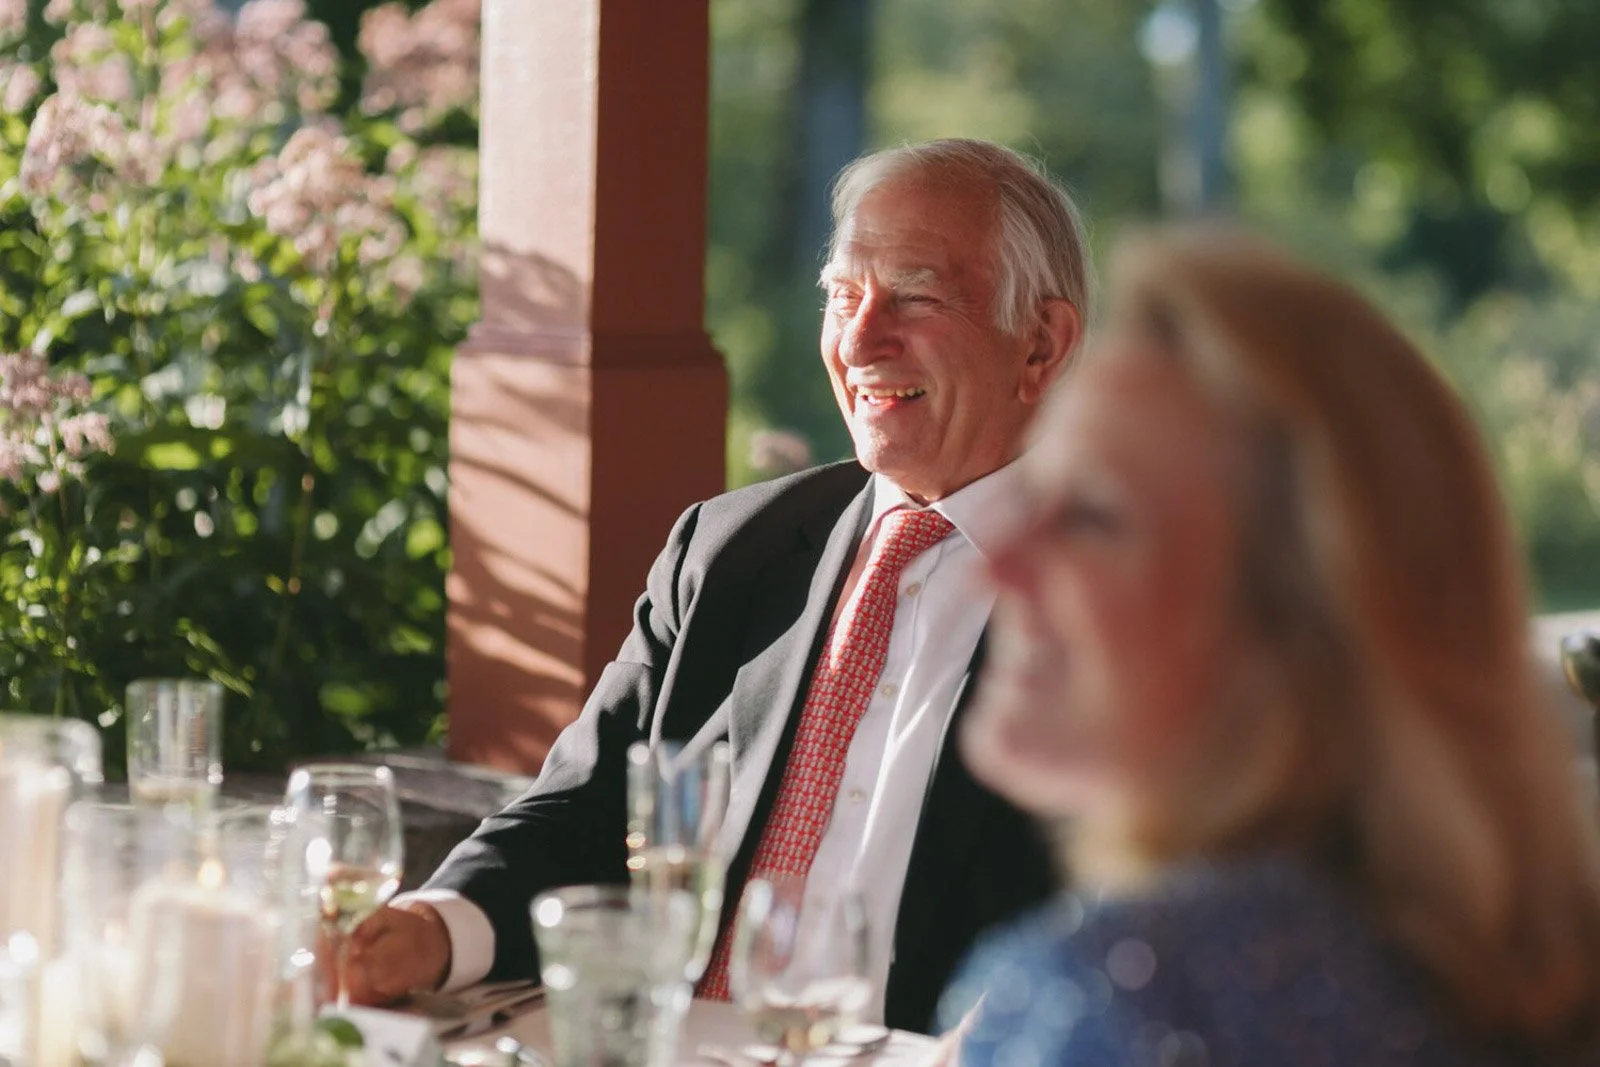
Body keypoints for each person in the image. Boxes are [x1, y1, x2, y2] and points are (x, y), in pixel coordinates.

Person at [343, 138, 1091, 1034]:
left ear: (1041, 345)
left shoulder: (1134, 606)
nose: (859, 339)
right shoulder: (731, 549)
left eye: (917, 296)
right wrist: (433, 926)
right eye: (841, 296)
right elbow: (588, 808)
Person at [936, 226, 1600, 1065]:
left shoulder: (1121, 995)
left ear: (1299, 629)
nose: (995, 566)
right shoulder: (1500, 962)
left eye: (1090, 516)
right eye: (1033, 496)